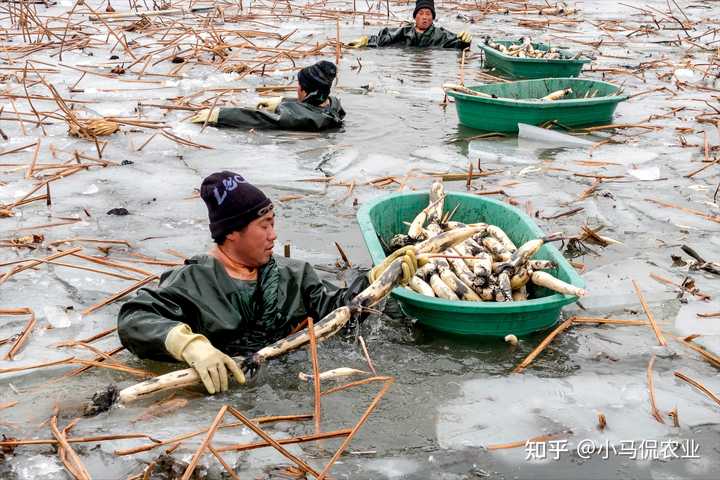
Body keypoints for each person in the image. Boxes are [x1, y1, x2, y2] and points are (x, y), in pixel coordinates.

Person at [117, 171, 417, 395]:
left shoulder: (294, 276)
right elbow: (134, 317)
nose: (274, 234)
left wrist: (376, 282)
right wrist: (190, 345)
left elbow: (339, 311)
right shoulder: (193, 282)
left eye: (273, 222)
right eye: (264, 225)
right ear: (232, 232)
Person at [190, 61, 345, 131]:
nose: (297, 88)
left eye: (300, 85)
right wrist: (281, 101)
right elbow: (310, 106)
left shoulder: (300, 118)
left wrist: (220, 115)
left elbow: (259, 119)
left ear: (307, 90)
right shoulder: (333, 105)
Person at [346, 0, 472, 49]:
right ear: (415, 16)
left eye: (428, 14)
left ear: (433, 17)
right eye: (421, 13)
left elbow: (458, 45)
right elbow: (382, 40)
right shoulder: (404, 32)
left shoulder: (441, 35)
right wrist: (365, 40)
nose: (424, 17)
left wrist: (465, 41)